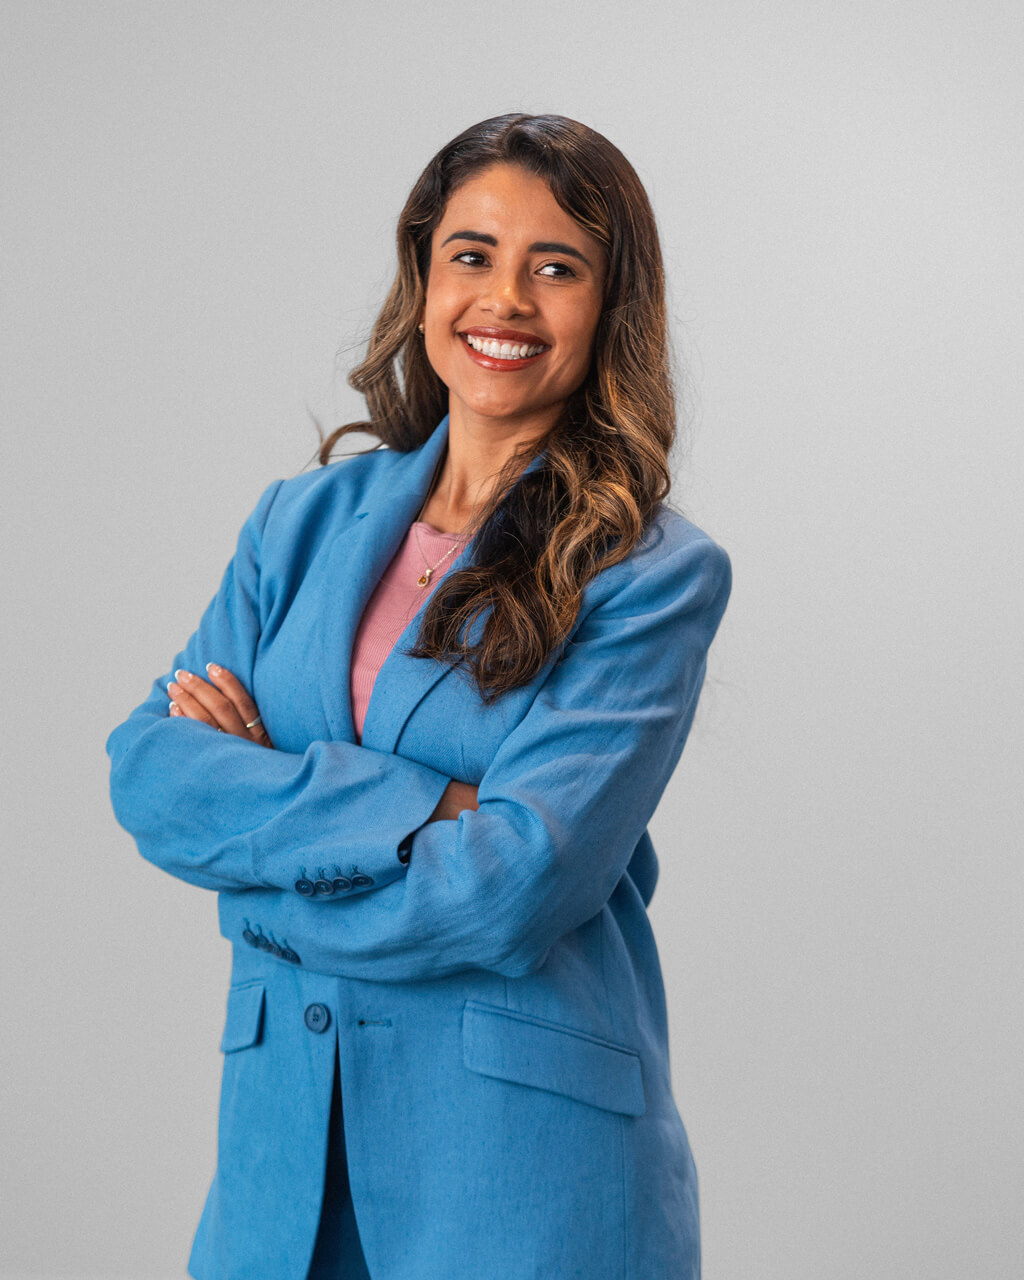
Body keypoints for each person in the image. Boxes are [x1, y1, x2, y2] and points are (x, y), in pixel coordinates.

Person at [106, 112, 732, 1280]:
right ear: (423, 273)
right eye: (472, 254)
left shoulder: (650, 575)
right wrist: (427, 805)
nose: (504, 299)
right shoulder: (299, 523)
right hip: (280, 1170)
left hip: (516, 1175)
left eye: (556, 266)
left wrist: (268, 889)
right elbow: (151, 772)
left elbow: (515, 887)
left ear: (609, 306)